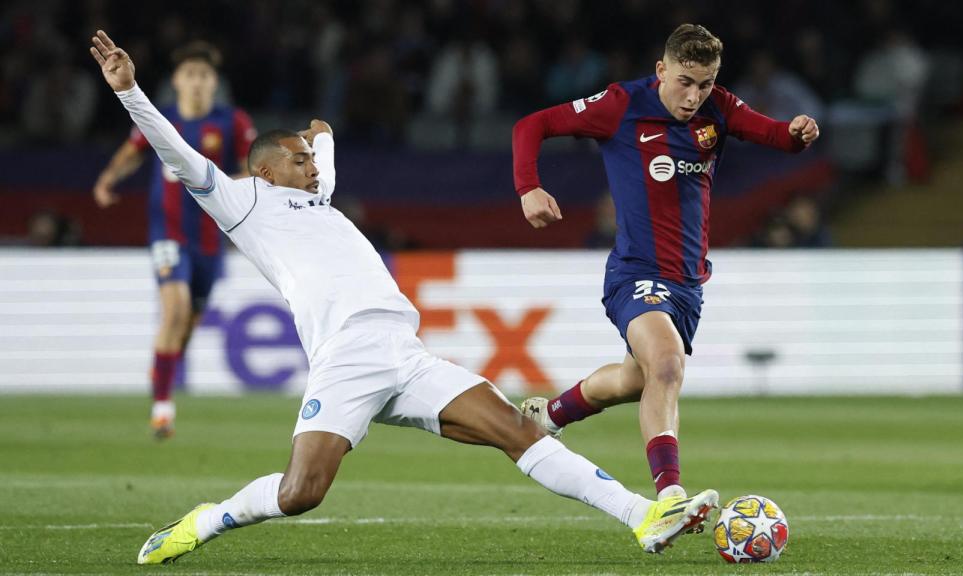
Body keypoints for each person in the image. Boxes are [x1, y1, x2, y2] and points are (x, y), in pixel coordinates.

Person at [88, 30, 719, 565]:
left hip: (404, 351)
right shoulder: (238, 202)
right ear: (264, 169)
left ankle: (642, 515)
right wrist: (128, 90)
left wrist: (322, 136)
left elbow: (324, 160)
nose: (312, 167)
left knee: (516, 428)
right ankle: (208, 519)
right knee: (301, 492)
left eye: (311, 159)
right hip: (346, 358)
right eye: (299, 158)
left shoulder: (317, 194)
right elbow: (173, 146)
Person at [512, 24, 819, 501]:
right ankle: (671, 496)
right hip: (635, 273)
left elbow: (775, 135)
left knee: (637, 379)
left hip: (689, 285)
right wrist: (529, 186)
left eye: (706, 83)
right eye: (685, 81)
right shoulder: (621, 104)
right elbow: (532, 125)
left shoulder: (720, 107)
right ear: (661, 70)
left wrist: (798, 134)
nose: (695, 95)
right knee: (669, 366)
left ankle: (548, 416)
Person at [93, 40, 257, 439]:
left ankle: (160, 370)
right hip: (168, 232)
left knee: (187, 323)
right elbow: (133, 151)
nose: (198, 82)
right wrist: (109, 178)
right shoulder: (161, 118)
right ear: (177, 82)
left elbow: (254, 170)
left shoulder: (232, 122)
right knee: (175, 307)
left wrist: (223, 186)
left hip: (211, 237)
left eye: (205, 75)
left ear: (214, 82)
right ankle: (163, 409)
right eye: (190, 75)